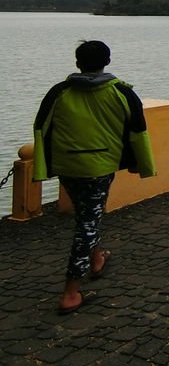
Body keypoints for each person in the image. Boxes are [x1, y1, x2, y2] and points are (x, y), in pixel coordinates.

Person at [33, 40, 156, 315]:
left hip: (67, 165)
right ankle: (70, 293)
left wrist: (43, 169)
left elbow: (41, 129)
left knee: (87, 214)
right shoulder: (122, 93)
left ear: (77, 63)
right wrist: (141, 165)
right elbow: (138, 132)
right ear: (108, 61)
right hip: (100, 166)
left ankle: (97, 256)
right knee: (87, 221)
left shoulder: (59, 92)